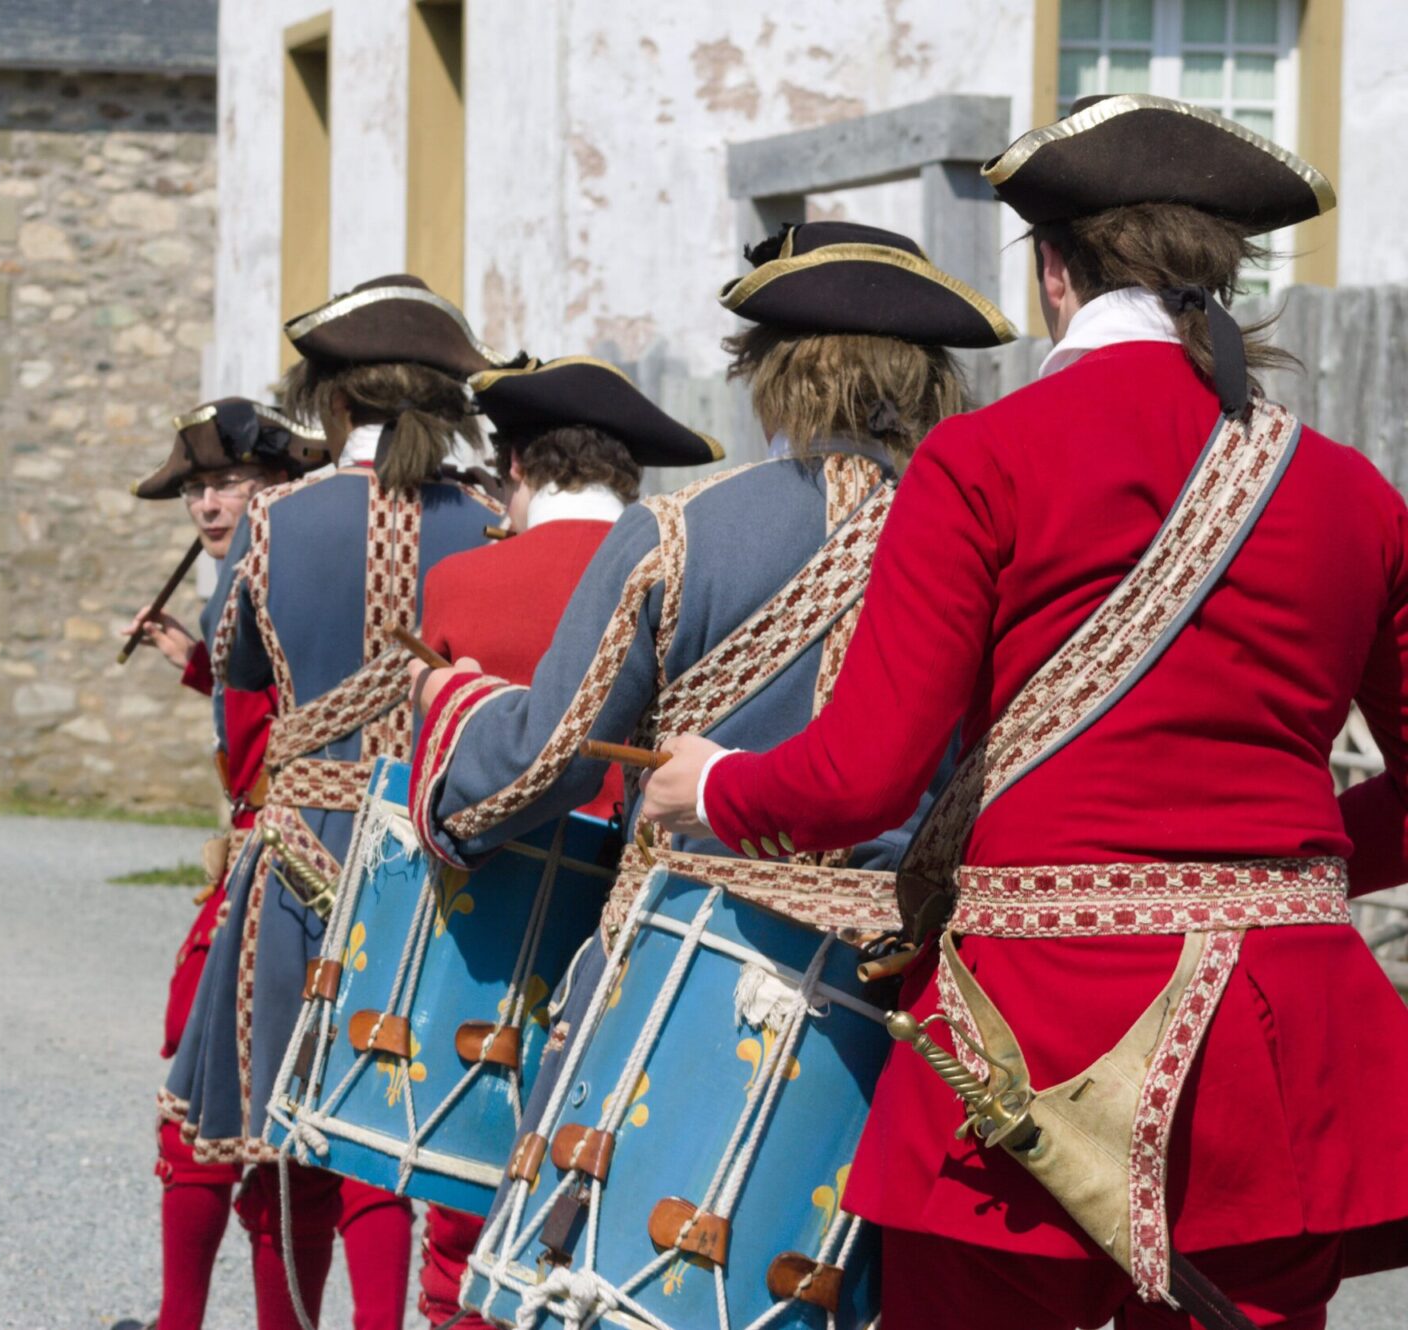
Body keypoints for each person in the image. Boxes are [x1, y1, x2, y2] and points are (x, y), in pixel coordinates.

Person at [642, 95, 1408, 1329]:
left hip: (1030, 1020)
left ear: (1052, 271)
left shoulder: (982, 459)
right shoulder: (1351, 493)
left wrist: (716, 784)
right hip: (1274, 1034)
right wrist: (1277, 871)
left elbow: (860, 778)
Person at [406, 223, 1007, 1317]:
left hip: (677, 993)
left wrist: (452, 713)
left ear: (771, 373)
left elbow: (537, 763)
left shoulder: (678, 532)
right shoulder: (994, 542)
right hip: (904, 1009)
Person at [166, 275, 510, 1330]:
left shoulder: (279, 519)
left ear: (333, 404)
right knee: (390, 1120)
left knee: (279, 1125)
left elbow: (234, 662)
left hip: (304, 845)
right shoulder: (490, 521)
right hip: (431, 850)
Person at [406, 355, 721, 1330]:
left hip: (496, 927)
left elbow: (448, 768)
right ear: (623, 475)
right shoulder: (685, 566)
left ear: (517, 466)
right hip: (642, 933)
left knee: (464, 1220)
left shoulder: (461, 576)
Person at [118, 398, 325, 1330]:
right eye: (196, 490)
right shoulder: (251, 572)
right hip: (265, 851)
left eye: (226, 484)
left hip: (279, 863)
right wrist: (199, 662)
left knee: (211, 1117)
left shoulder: (272, 569)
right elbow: (267, 695)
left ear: (276, 485)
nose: (206, 507)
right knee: (273, 1122)